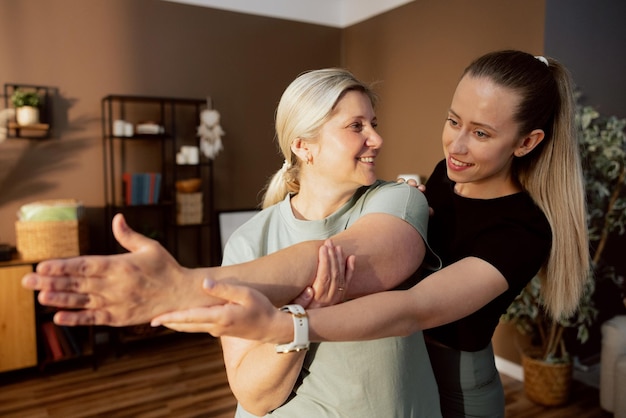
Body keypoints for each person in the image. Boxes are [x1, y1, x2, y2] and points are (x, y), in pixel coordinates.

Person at [151, 50, 591, 417]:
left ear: (527, 142)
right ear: (302, 146)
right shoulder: (443, 177)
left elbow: (415, 308)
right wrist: (412, 203)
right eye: (453, 120)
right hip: (404, 362)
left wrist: (290, 322)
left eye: (480, 133)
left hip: (458, 384)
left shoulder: (522, 231)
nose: (455, 146)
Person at [22, 68, 442, 417]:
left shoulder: (399, 199)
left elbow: (333, 256)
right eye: (356, 126)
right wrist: (303, 315)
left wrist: (185, 286)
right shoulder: (249, 240)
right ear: (302, 145)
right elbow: (256, 398)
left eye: (373, 124)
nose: (376, 138)